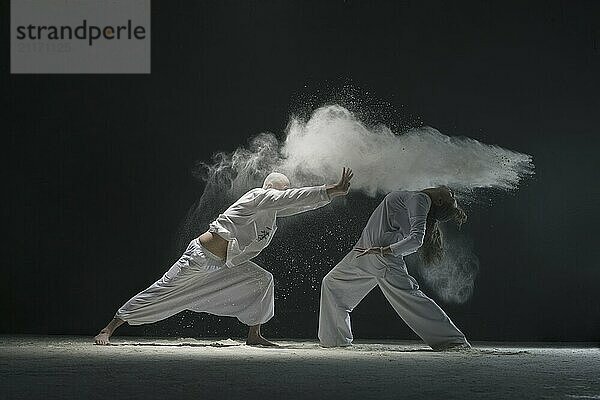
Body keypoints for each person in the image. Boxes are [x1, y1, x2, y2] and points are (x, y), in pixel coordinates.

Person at [94, 168, 353, 346]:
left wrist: (329, 195)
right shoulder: (258, 196)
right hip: (199, 257)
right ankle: (110, 327)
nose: (281, 197)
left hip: (225, 263)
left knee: (263, 279)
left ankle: (254, 334)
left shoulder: (271, 214)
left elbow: (297, 203)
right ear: (269, 189)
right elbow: (290, 198)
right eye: (280, 192)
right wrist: (329, 188)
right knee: (164, 288)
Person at [318, 186, 471, 350]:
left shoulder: (420, 199)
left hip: (380, 256)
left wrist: (385, 250)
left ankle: (453, 340)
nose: (451, 191)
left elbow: (416, 240)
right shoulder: (416, 197)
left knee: (410, 298)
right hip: (365, 251)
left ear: (439, 201)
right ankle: (334, 340)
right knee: (332, 284)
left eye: (451, 196)